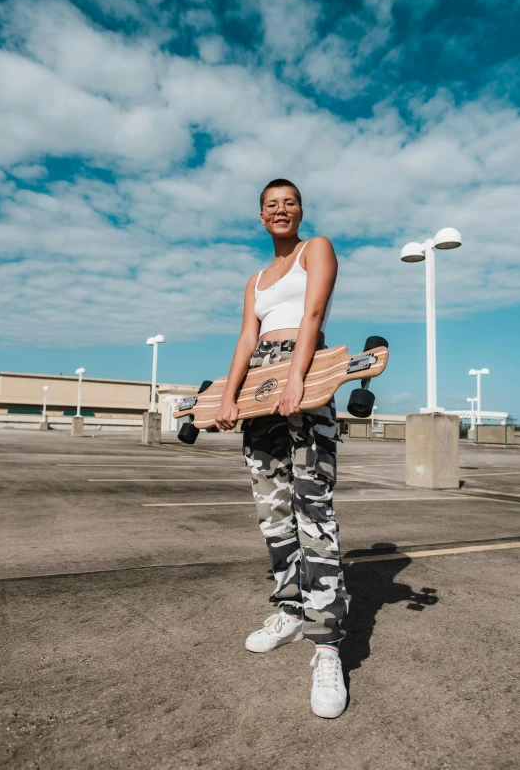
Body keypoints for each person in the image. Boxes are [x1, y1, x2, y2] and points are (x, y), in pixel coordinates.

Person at [215, 179, 348, 719]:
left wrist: (298, 380)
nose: (281, 209)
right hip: (259, 391)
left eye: (289, 202)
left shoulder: (316, 249)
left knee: (313, 511)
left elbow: (311, 317)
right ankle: (291, 611)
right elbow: (247, 339)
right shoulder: (255, 281)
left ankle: (327, 645)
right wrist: (228, 399)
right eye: (271, 204)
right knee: (273, 514)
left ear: (300, 210)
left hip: (305, 380)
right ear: (260, 215)